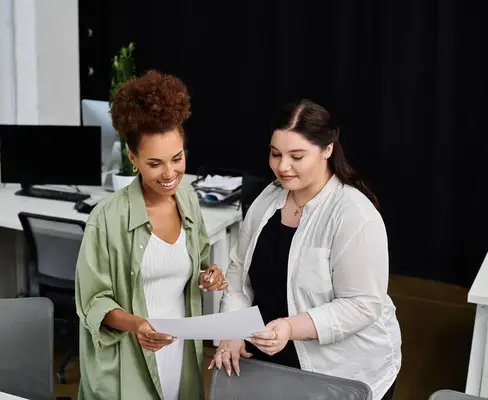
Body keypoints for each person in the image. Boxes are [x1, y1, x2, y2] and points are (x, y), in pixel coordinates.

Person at [211, 99, 402, 400]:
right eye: (275, 154)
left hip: (342, 369)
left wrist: (290, 328)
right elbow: (238, 278)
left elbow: (362, 304)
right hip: (274, 361)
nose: (282, 167)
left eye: (296, 156)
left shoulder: (354, 215)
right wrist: (232, 330)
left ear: (327, 150)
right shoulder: (267, 201)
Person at [75, 70, 227, 400]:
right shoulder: (106, 218)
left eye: (177, 158)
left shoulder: (188, 200)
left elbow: (195, 266)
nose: (170, 173)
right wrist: (137, 325)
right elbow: (92, 303)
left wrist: (209, 276)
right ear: (133, 159)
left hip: (180, 351)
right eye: (155, 163)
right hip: (128, 358)